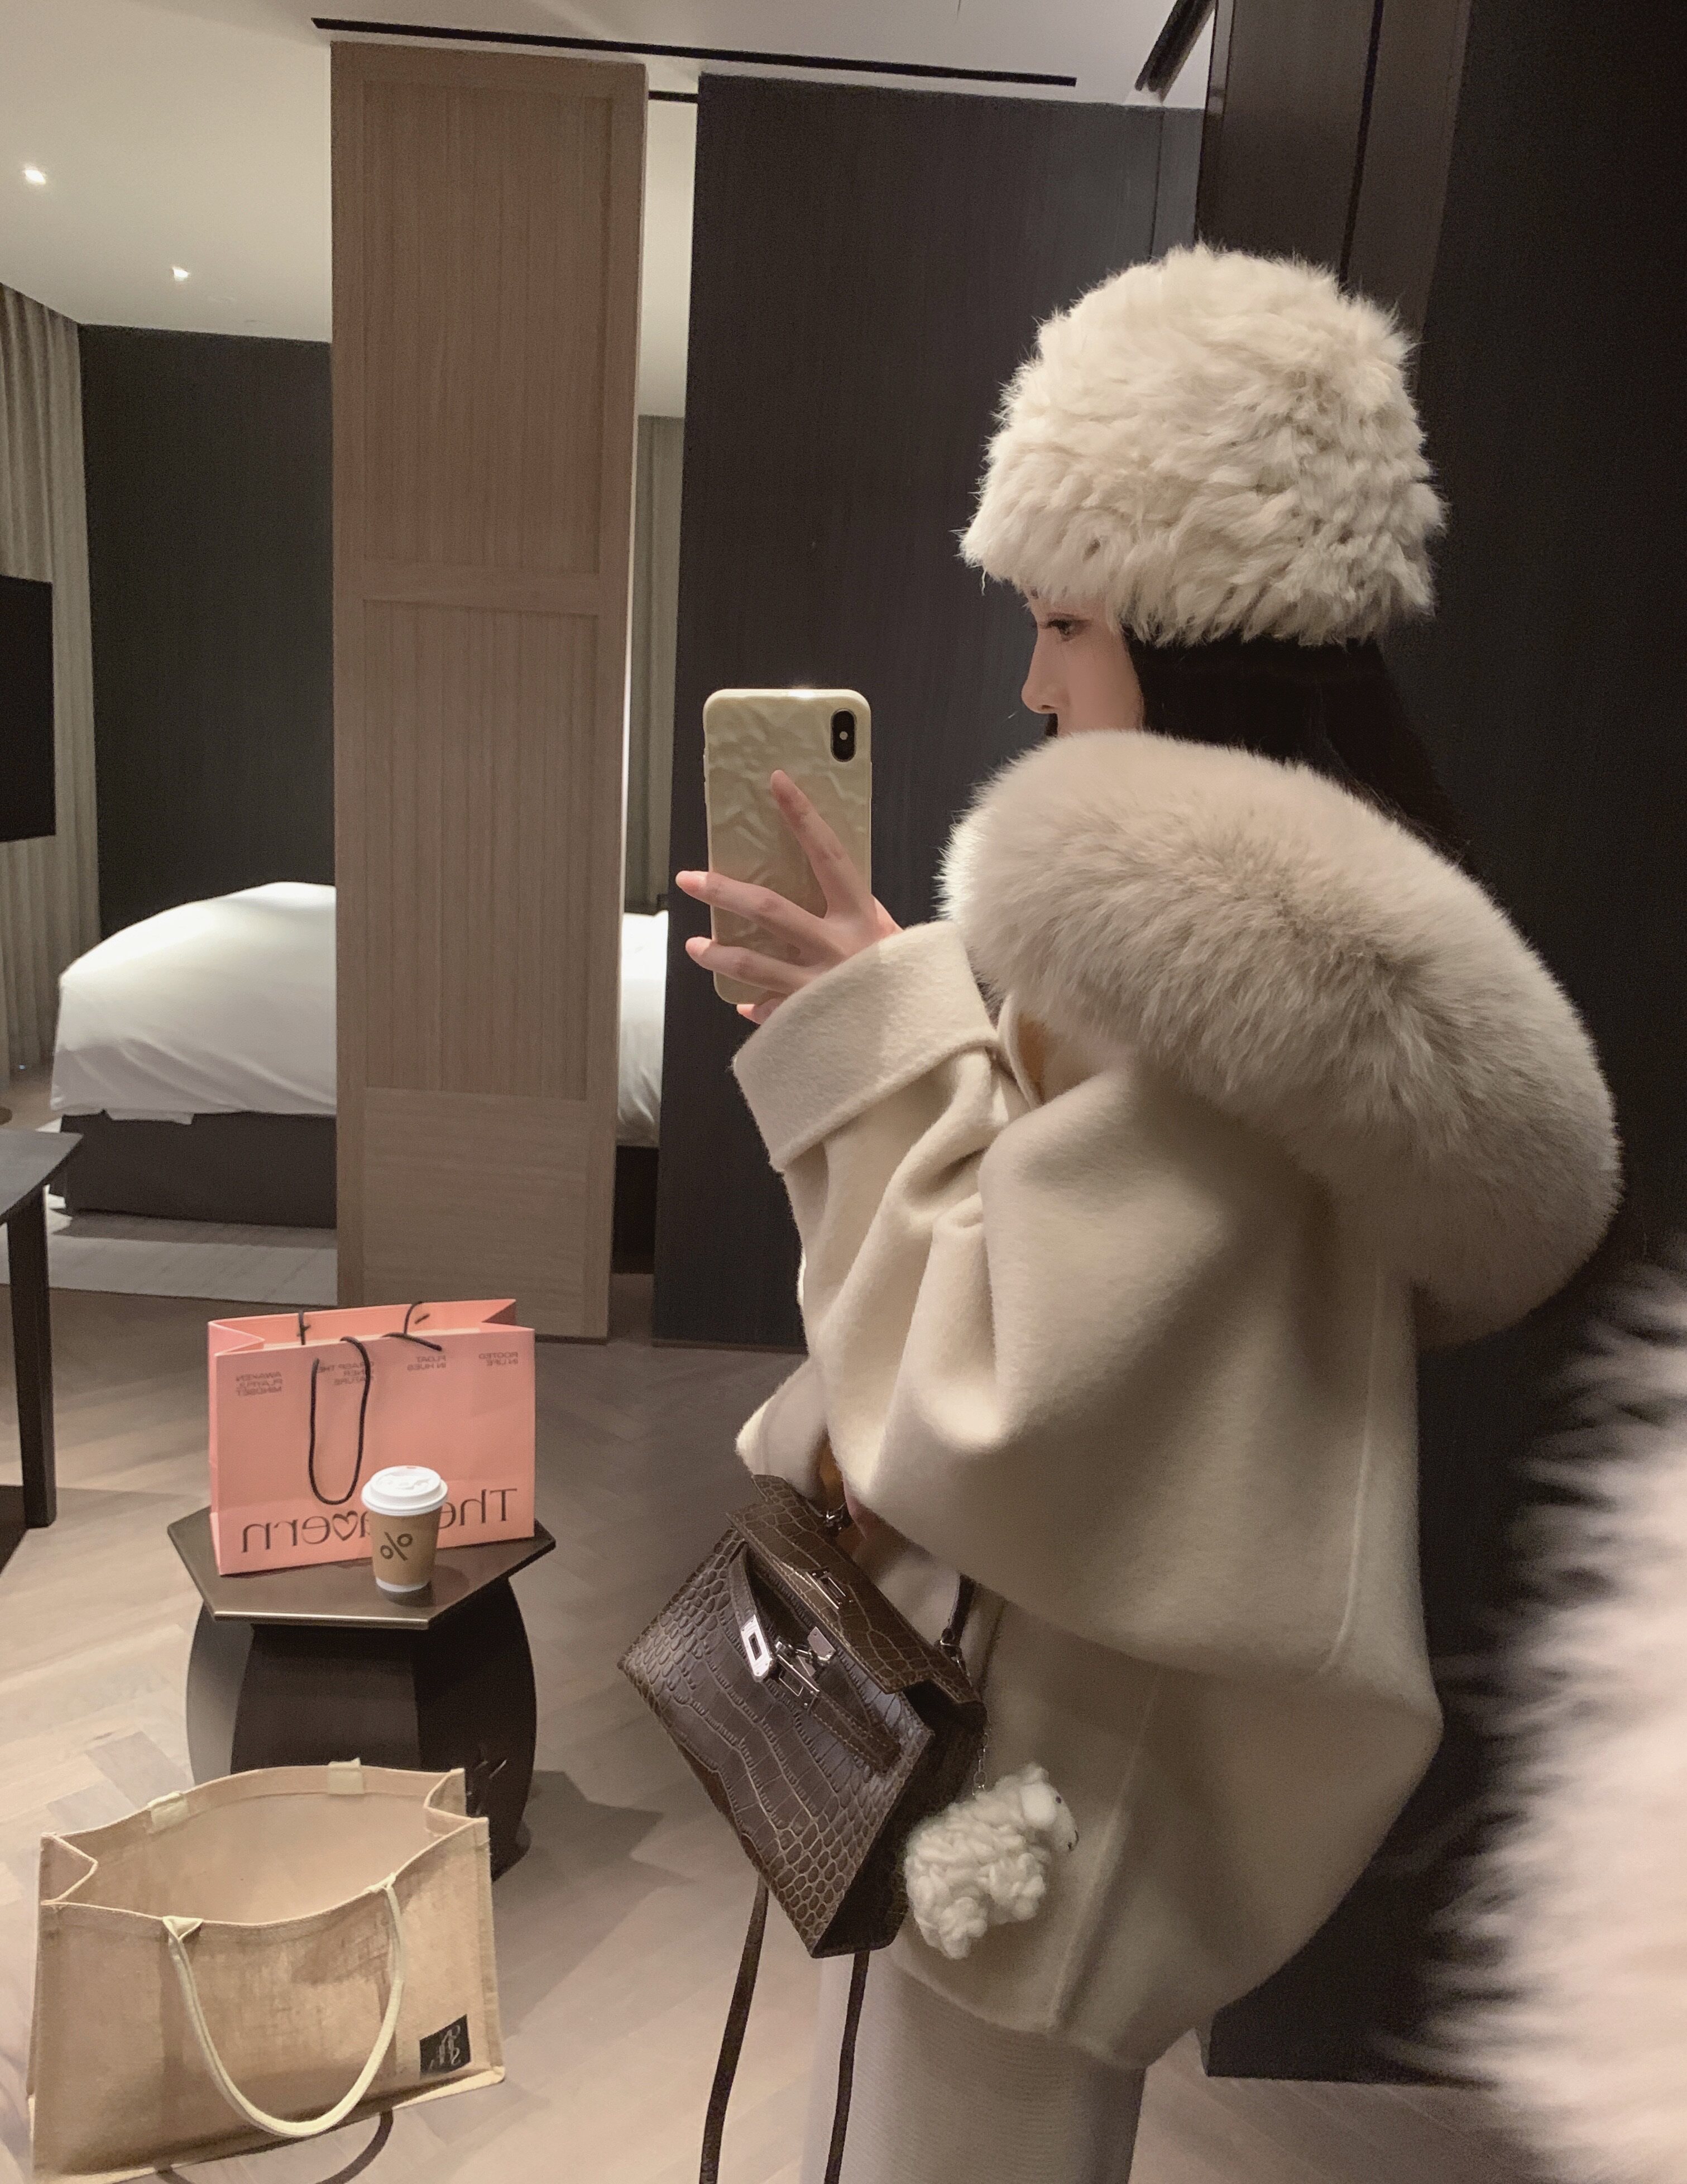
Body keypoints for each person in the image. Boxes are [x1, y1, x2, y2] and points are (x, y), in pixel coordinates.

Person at [674, 245, 1620, 2184]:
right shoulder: (1276, 977)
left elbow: (999, 1396)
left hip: (1030, 1781)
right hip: (1041, 1745)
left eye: (1067, 623)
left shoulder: (1224, 990)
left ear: (1204, 630)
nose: (1034, 681)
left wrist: (875, 1039)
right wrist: (903, 1001)